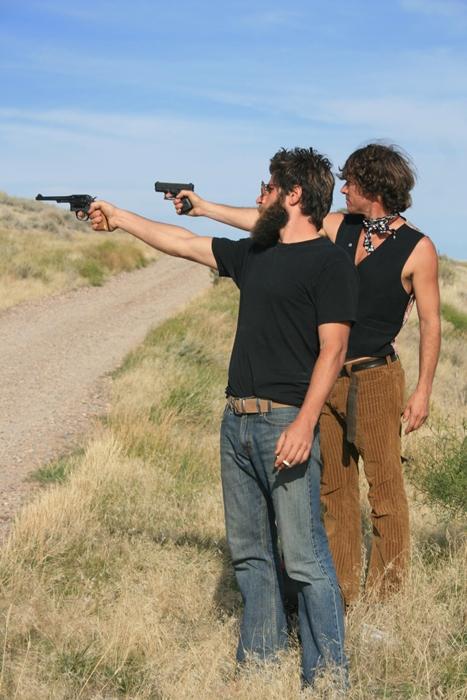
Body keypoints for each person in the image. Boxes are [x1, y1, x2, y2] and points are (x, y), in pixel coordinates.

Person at [89, 147, 358, 687]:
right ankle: (259, 664)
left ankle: (328, 678)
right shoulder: (257, 252)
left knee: (304, 557)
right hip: (236, 421)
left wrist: (304, 423)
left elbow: (334, 351)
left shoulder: (329, 263)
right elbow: (184, 242)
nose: (259, 195)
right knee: (250, 554)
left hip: (286, 422)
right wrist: (119, 218)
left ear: (293, 194)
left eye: (267, 187)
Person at [171, 142, 441, 607]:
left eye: (351, 182)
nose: (343, 189)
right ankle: (341, 595)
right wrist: (205, 208)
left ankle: (386, 600)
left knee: (385, 492)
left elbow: (432, 324)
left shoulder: (419, 248)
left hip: (376, 378)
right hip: (325, 376)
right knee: (333, 490)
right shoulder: (338, 227)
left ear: (374, 187)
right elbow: (270, 222)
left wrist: (423, 391)